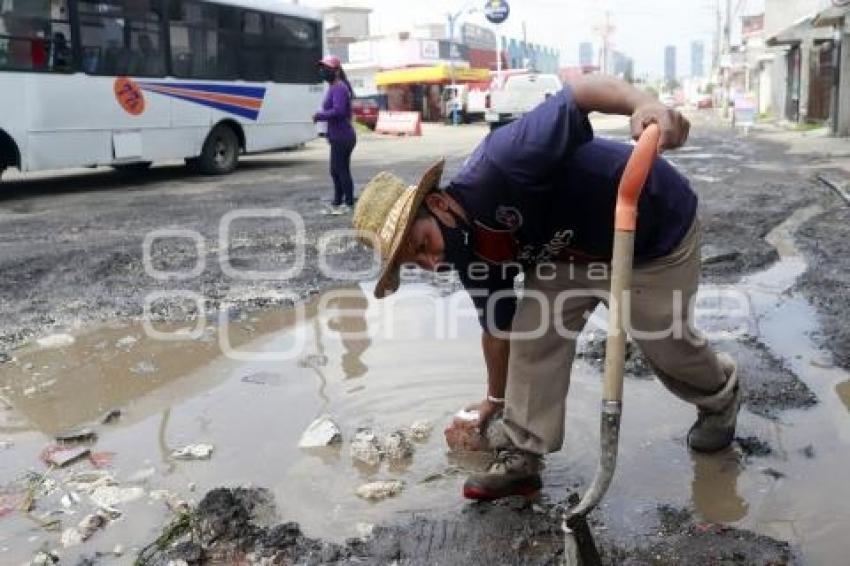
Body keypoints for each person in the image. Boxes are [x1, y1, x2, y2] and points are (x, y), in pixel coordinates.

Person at [351, 74, 741, 502]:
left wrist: (642, 102)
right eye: (417, 263)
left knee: (665, 342)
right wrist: (493, 401)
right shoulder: (469, 256)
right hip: (570, 258)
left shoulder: (504, 161)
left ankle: (719, 393)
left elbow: (581, 94)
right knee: (534, 335)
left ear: (440, 204)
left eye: (423, 244)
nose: (433, 261)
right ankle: (522, 452)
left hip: (651, 232)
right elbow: (500, 332)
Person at [313, 55, 357, 216]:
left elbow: (338, 112)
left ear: (337, 71)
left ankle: (348, 202)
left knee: (341, 169)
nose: (323, 71)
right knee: (335, 170)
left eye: (327, 68)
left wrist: (319, 115)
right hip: (338, 136)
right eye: (322, 68)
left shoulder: (339, 88)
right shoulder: (334, 87)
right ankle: (338, 201)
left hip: (343, 137)